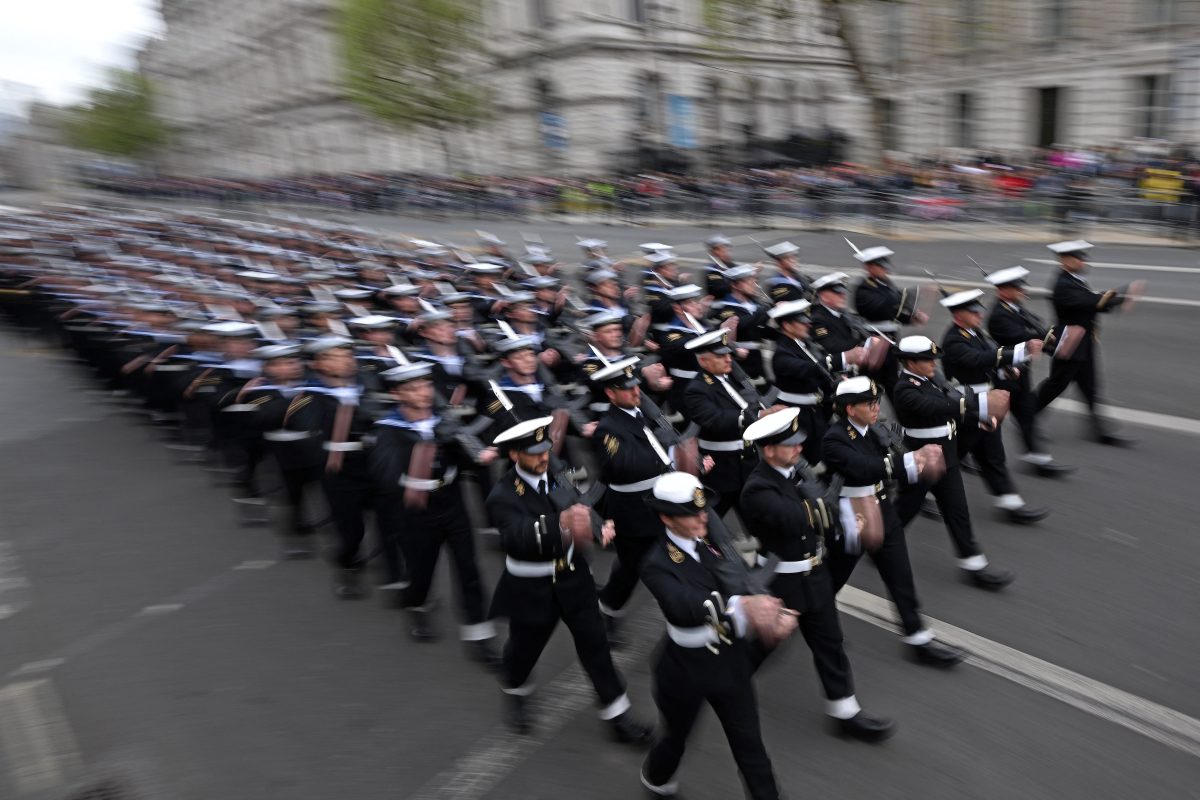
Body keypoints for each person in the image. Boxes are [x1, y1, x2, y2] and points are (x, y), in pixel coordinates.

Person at [485, 417, 653, 743]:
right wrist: (560, 524)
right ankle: (516, 689)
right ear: (515, 456)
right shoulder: (502, 496)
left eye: (545, 449)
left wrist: (598, 524)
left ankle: (617, 714)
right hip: (533, 584)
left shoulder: (557, 469)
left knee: (596, 646)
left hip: (574, 577)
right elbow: (518, 537)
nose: (543, 457)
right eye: (534, 453)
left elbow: (580, 500)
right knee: (523, 649)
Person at [741, 407, 897, 740]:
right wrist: (831, 507)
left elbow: (816, 512)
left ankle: (845, 710)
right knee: (763, 648)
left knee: (830, 642)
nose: (798, 449)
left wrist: (836, 516)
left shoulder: (795, 473)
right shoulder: (757, 488)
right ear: (768, 449)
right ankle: (727, 683)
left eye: (798, 442)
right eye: (790, 444)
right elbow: (796, 518)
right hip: (782, 582)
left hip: (815, 574)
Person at [639, 472, 796, 800]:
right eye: (692, 513)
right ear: (666, 518)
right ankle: (656, 779)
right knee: (675, 739)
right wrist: (744, 607)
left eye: (703, 510)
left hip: (729, 662)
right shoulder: (656, 563)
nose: (703, 516)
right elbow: (683, 606)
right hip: (684, 670)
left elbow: (742, 578)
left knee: (751, 750)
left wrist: (770, 618)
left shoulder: (712, 540)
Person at [821, 377, 966, 665]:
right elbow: (864, 468)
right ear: (850, 409)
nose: (877, 407)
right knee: (832, 578)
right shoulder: (834, 438)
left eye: (876, 402)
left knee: (900, 575)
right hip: (853, 514)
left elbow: (897, 460)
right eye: (870, 403)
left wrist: (921, 463)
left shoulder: (876, 429)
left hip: (882, 508)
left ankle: (917, 639)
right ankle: (817, 624)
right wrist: (912, 461)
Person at [369, 362, 501, 668]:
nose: (423, 393)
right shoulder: (387, 430)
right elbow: (386, 474)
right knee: (421, 573)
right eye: (413, 389)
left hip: (452, 502)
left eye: (426, 386)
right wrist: (431, 444)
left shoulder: (444, 419)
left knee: (469, 570)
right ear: (396, 394)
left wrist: (477, 452)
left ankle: (479, 635)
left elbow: (470, 459)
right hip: (416, 509)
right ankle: (418, 607)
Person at [891, 336, 1016, 590]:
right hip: (923, 460)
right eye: (928, 360)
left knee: (957, 511)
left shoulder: (932, 379)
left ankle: (974, 564)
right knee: (905, 509)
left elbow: (950, 408)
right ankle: (880, 545)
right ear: (911, 363)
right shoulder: (904, 388)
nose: (934, 364)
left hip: (946, 457)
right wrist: (978, 404)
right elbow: (937, 407)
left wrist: (978, 419)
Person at [940, 289, 1049, 524]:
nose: (980, 313)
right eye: (974, 310)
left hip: (985, 403)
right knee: (952, 456)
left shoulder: (975, 333)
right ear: (959, 315)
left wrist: (1004, 369)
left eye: (979, 309)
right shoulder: (953, 340)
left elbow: (988, 359)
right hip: (966, 407)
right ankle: (923, 487)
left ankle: (1010, 502)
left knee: (992, 455)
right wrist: (1020, 351)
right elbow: (977, 360)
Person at [591, 357, 678, 645]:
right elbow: (624, 465)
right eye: (627, 389)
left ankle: (681, 617)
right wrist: (669, 451)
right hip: (632, 509)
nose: (635, 392)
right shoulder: (607, 429)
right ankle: (608, 607)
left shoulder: (641, 413)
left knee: (670, 561)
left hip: (660, 500)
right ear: (611, 394)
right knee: (631, 569)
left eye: (636, 386)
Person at [1035, 240, 1135, 446]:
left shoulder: (1074, 280)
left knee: (1090, 387)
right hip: (1070, 342)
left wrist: (1113, 299)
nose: (1082, 262)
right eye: (1077, 258)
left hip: (1084, 342)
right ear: (1065, 261)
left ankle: (1099, 432)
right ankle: (1026, 418)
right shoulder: (1063, 284)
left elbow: (1092, 303)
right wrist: (1122, 295)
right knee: (1056, 384)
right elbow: (1090, 302)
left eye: (1082, 258)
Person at [984, 266, 1073, 476]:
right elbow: (1022, 337)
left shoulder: (1016, 308)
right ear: (1003, 291)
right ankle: (961, 450)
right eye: (1017, 288)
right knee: (988, 420)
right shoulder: (998, 316)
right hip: (1005, 374)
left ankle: (1039, 460)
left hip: (1021, 371)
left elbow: (1036, 326)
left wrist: (1046, 336)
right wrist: (1043, 337)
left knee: (1026, 413)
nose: (1022, 291)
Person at [682, 329, 765, 517]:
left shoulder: (727, 379)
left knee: (756, 515)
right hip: (722, 467)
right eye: (720, 356)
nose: (728, 359)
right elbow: (715, 419)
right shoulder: (696, 389)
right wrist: (758, 415)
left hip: (747, 461)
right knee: (712, 518)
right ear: (703, 361)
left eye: (728, 353)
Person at [851, 245, 928, 396]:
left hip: (890, 341)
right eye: (880, 266)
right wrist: (902, 301)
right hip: (873, 341)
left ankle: (902, 416)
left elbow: (895, 314)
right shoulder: (863, 289)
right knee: (868, 385)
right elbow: (883, 310)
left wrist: (912, 318)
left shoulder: (886, 284)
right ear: (869, 267)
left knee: (892, 383)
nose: (885, 269)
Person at [767, 300, 836, 468]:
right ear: (787, 326)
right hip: (796, 415)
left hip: (814, 412)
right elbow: (809, 369)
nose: (808, 324)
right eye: (802, 321)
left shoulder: (804, 344)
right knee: (802, 461)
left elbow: (821, 374)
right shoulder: (782, 353)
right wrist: (842, 360)